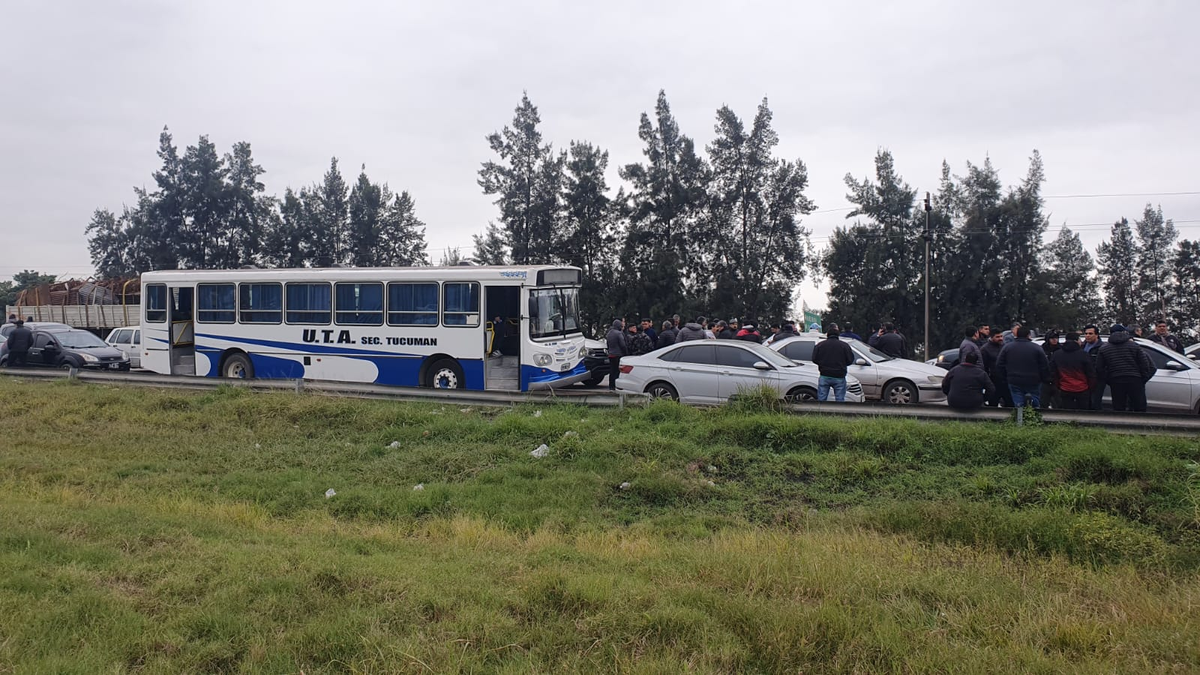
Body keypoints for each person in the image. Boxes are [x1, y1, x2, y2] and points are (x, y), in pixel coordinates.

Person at [1097, 324, 1155, 412]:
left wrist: (1109, 379)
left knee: (1118, 407)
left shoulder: (1104, 348)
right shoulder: (1134, 346)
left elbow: (1099, 368)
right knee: (1139, 406)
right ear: (1125, 332)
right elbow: (1144, 364)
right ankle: (1141, 424)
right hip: (1135, 379)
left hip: (1116, 380)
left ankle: (1120, 424)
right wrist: (1142, 378)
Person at [996, 326, 1050, 408]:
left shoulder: (1007, 347)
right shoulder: (1037, 348)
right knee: (1034, 399)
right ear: (1029, 335)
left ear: (1016, 335)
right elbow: (1044, 365)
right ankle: (1033, 415)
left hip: (1014, 379)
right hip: (1033, 380)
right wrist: (1044, 378)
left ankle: (1020, 417)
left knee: (1018, 400)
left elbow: (999, 365)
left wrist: (1005, 377)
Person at [1050, 332, 1096, 410]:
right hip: (1082, 388)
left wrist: (1058, 386)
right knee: (1084, 413)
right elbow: (1091, 373)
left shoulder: (1057, 354)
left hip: (1064, 388)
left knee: (1067, 413)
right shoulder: (1084, 354)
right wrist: (1090, 388)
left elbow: (1053, 373)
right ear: (1076, 341)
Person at [811, 324, 856, 402]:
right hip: (839, 375)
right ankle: (839, 413)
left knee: (822, 398)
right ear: (838, 335)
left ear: (827, 335)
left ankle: (821, 412)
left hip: (824, 374)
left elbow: (814, 359)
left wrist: (822, 364)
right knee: (840, 399)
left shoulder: (820, 345)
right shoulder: (844, 346)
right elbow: (850, 360)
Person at [980, 328, 1008, 406]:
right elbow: (984, 366)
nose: (1000, 339)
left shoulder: (1004, 346)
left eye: (1001, 336)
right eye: (997, 337)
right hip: (993, 380)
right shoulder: (985, 349)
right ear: (991, 337)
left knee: (1009, 403)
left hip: (1006, 380)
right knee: (993, 402)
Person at [1082, 324, 1105, 410]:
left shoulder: (1102, 348)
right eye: (1086, 333)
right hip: (1084, 379)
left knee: (1095, 402)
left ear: (1096, 335)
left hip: (1097, 379)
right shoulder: (1082, 346)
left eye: (1090, 334)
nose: (1087, 336)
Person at [1040, 330, 1062, 408]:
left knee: (1058, 404)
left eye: (1056, 338)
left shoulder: (1061, 349)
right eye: (1052, 338)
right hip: (1044, 380)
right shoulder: (1042, 350)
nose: (1054, 340)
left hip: (1058, 381)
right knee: (1043, 404)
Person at [605, 319, 627, 391]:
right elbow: (622, 345)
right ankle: (616, 385)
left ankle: (611, 386)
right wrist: (626, 353)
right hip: (618, 354)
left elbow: (607, 344)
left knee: (612, 371)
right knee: (618, 371)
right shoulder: (619, 333)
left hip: (611, 354)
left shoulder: (609, 333)